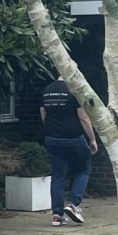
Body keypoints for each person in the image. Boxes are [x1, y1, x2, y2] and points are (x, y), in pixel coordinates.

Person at [39, 75, 97, 226]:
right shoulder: (74, 91)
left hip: (51, 138)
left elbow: (44, 116)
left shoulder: (47, 90)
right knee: (83, 170)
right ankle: (73, 204)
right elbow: (83, 117)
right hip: (73, 138)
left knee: (58, 177)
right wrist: (92, 139)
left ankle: (57, 216)